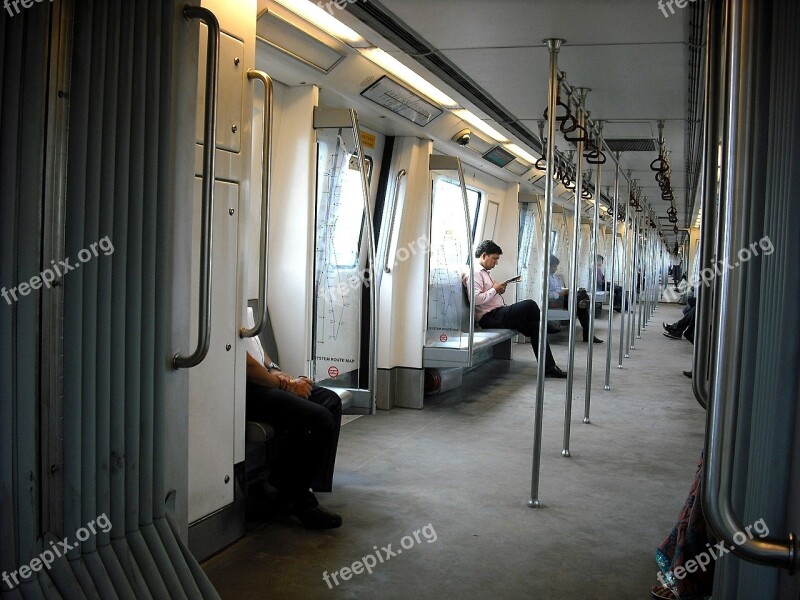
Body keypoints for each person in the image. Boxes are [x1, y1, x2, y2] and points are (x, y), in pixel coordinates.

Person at [244, 307, 343, 529]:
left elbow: (257, 347)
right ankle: (299, 500)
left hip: (267, 381)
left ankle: (287, 487)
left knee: (330, 401)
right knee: (319, 419)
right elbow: (245, 362)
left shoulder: (245, 305)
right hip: (248, 390)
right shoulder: (223, 301)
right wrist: (285, 384)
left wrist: (274, 369)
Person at [464, 240, 567, 378]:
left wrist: (497, 289)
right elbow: (475, 299)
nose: (496, 262)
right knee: (529, 305)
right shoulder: (475, 273)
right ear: (484, 255)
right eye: (494, 258)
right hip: (489, 317)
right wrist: (495, 290)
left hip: (498, 313)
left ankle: (549, 367)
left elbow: (488, 293)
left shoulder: (484, 273)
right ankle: (546, 324)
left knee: (536, 328)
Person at [548, 255, 603, 343]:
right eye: (554, 266)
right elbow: (548, 295)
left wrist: (565, 290)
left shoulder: (553, 276)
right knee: (581, 304)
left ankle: (584, 303)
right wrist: (560, 293)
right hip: (556, 300)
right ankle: (588, 335)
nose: (556, 269)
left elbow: (558, 287)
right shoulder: (544, 277)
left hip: (561, 296)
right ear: (548, 266)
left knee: (581, 293)